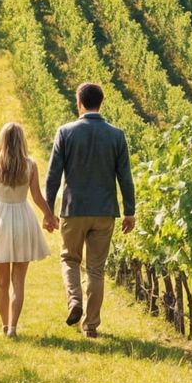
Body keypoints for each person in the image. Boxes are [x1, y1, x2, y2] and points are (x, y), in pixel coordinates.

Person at [44, 81, 135, 337]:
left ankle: (74, 301)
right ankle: (91, 326)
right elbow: (125, 177)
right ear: (101, 103)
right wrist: (130, 210)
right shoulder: (116, 135)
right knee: (96, 268)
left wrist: (48, 210)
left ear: (79, 103)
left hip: (73, 209)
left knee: (69, 259)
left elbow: (53, 175)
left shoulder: (65, 132)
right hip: (105, 210)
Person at [0, 119, 52, 335]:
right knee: (19, 282)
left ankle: (4, 325)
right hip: (23, 219)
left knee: (2, 282)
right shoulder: (30, 165)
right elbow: (36, 197)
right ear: (22, 141)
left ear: (2, 141)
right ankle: (13, 327)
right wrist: (49, 215)